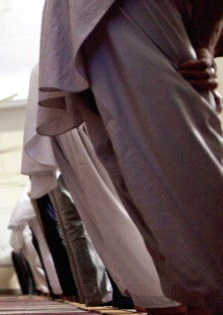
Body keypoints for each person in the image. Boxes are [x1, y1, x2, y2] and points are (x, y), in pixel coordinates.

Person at [39, 1, 222, 313]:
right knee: (141, 192)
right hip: (87, 32)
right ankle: (185, 300)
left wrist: (204, 47)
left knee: (188, 178)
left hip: (140, 13)